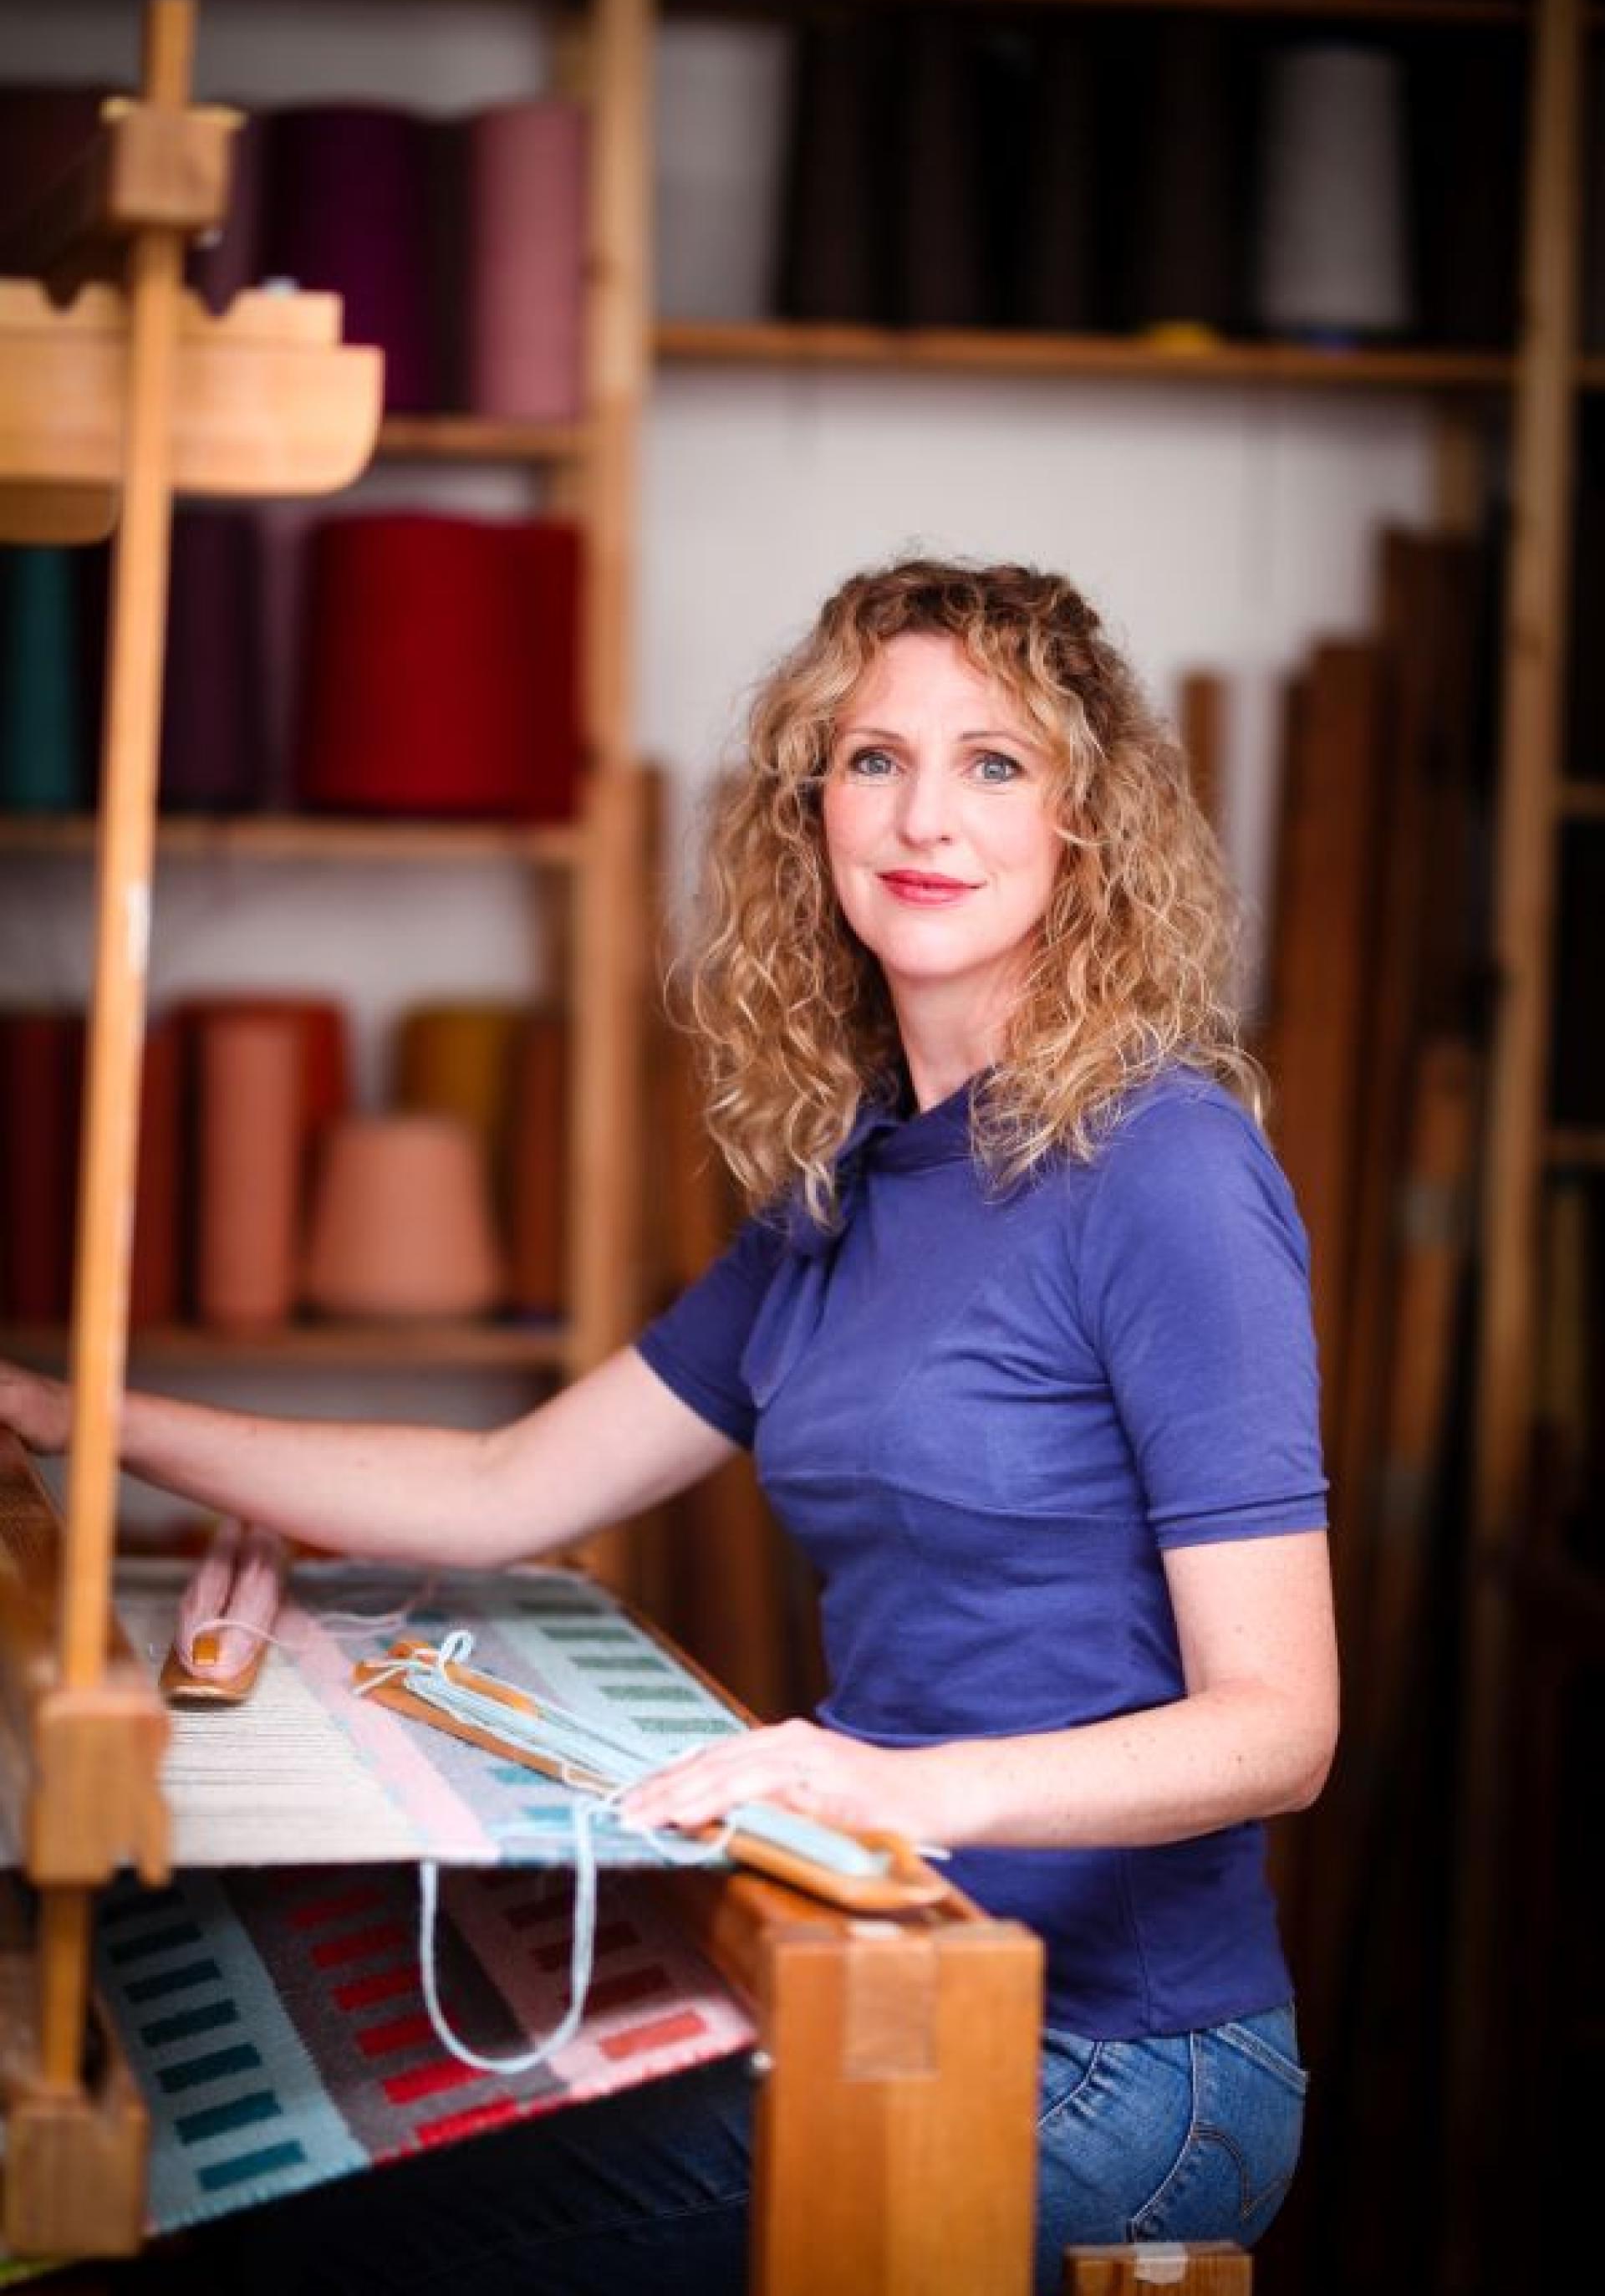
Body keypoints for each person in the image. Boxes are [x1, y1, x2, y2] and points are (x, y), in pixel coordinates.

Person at [0, 558, 1338, 2295]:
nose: (925, 814)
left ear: (1088, 821)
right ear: (811, 810)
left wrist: (885, 1787)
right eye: (871, 759)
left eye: (995, 762)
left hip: (1114, 2069)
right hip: (863, 1960)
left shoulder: (1164, 1170)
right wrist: (69, 1416)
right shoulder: (849, 1187)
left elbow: (1279, 1728)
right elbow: (504, 1486)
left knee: (302, 2246)